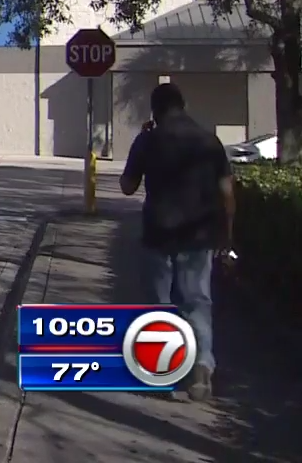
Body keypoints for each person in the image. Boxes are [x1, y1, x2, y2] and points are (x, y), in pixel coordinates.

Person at [119, 82, 235, 402]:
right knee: (197, 301)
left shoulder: (148, 140)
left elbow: (128, 186)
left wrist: (140, 143)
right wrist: (227, 236)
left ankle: (166, 372)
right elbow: (227, 194)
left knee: (160, 304)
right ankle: (201, 367)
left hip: (158, 233)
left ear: (155, 111)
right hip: (199, 236)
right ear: (183, 106)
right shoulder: (209, 141)